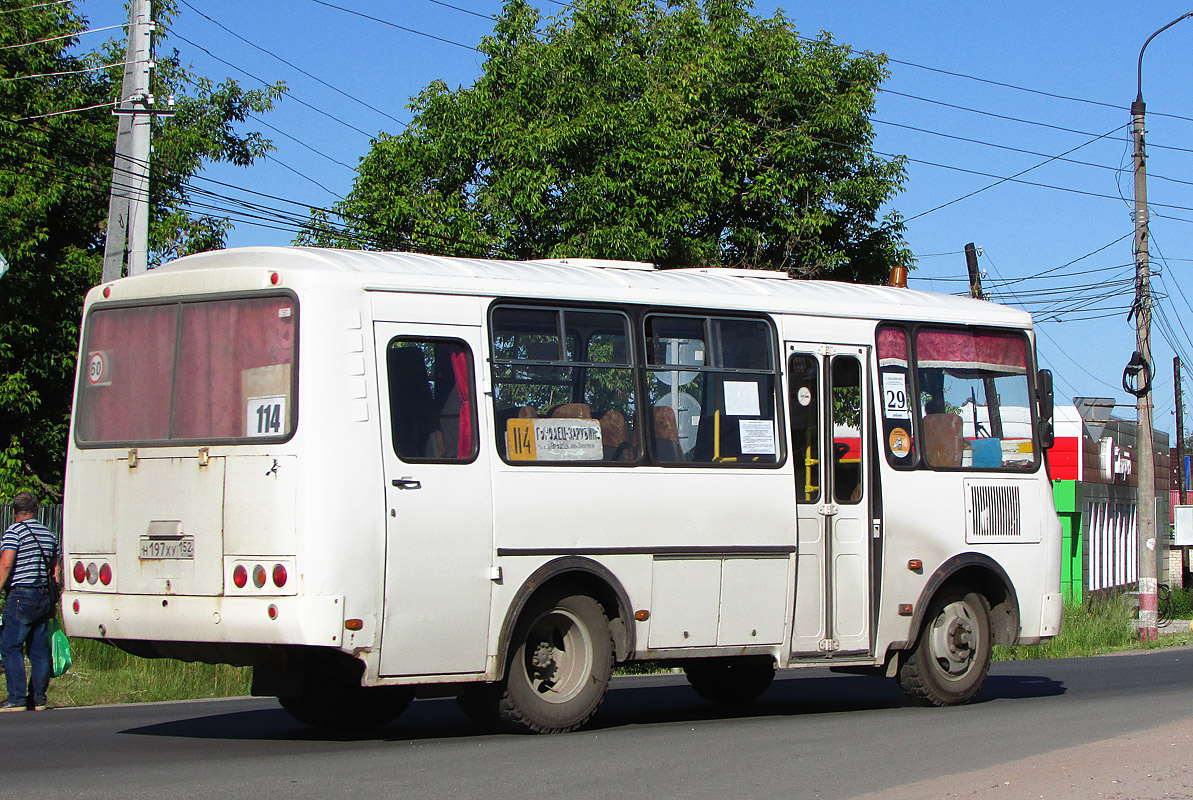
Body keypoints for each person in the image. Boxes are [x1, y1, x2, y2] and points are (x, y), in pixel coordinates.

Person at [0, 491, 61, 712]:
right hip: (43, 596)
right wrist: (54, 600)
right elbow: (55, 570)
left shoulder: (14, 532)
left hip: (20, 596)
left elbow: (6, 564)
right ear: (36, 510)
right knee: (38, 649)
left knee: (11, 646)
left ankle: (15, 698)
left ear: (15, 511)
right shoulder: (48, 534)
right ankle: (38, 698)